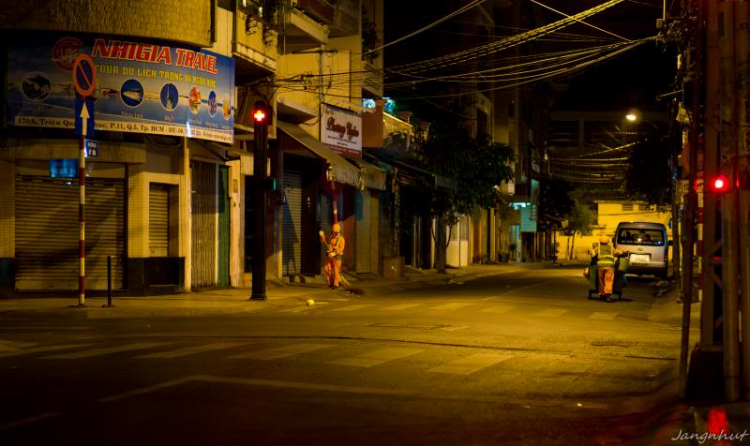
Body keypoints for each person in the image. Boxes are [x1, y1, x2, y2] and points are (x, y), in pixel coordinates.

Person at [591, 234, 621, 301]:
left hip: (600, 267)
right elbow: (618, 252)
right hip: (609, 267)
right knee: (608, 281)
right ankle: (607, 295)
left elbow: (592, 253)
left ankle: (601, 294)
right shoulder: (611, 248)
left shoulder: (598, 248)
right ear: (607, 242)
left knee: (601, 281)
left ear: (600, 242)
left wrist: (590, 252)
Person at [322, 223, 345, 289]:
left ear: (339, 231)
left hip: (337, 257)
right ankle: (331, 282)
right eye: (334, 231)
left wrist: (334, 253)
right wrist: (329, 250)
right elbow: (329, 245)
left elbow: (341, 248)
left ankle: (336, 284)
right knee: (327, 268)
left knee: (336, 270)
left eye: (337, 232)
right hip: (330, 256)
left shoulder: (341, 239)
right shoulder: (331, 237)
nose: (335, 233)